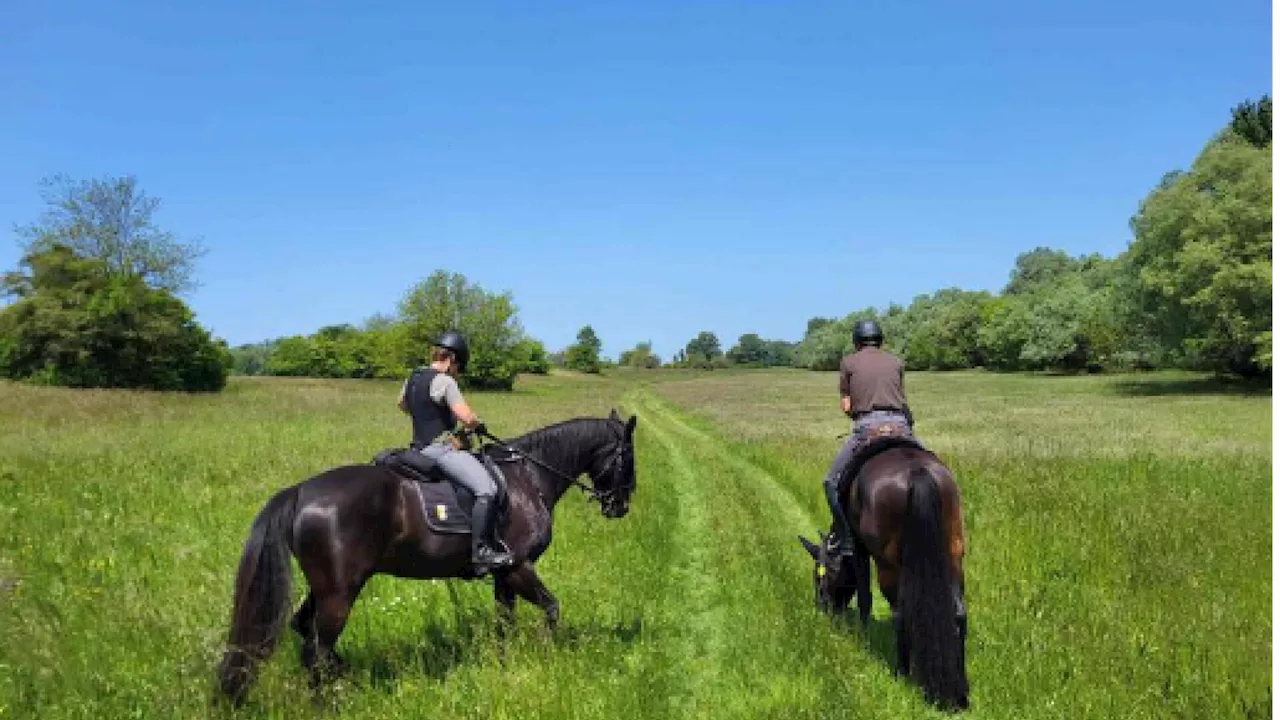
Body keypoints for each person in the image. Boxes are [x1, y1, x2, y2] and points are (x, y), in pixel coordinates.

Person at [398, 331, 513, 572]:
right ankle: (481, 551)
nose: (456, 372)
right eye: (458, 367)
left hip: (418, 449)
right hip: (441, 451)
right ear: (451, 360)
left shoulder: (414, 378)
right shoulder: (445, 381)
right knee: (487, 489)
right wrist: (476, 423)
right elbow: (465, 417)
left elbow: (402, 405)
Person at [822, 319, 915, 556]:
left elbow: (846, 405)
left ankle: (845, 540)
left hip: (867, 427)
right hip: (901, 427)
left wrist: (858, 412)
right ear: (880, 339)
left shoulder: (848, 362)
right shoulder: (896, 362)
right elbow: (901, 400)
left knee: (831, 482)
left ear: (857, 341)